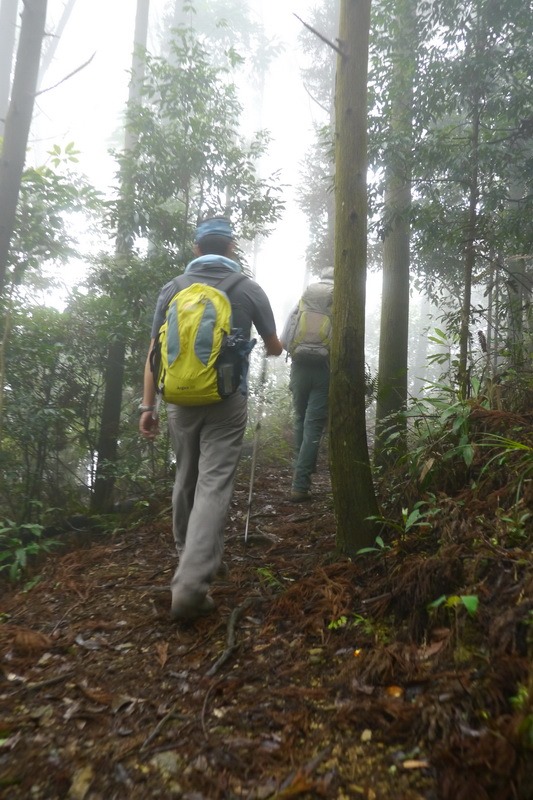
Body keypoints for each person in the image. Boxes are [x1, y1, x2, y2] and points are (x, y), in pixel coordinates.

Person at [140, 217, 282, 621]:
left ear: (197, 249)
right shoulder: (248, 288)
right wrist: (275, 342)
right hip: (226, 400)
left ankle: (191, 555)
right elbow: (273, 348)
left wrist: (146, 407)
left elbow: (154, 354)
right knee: (214, 482)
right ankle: (190, 583)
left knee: (186, 475)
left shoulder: (173, 289)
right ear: (232, 248)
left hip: (178, 400)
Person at [280, 267, 334, 502]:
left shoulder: (305, 299)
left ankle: (301, 467)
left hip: (299, 367)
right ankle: (300, 484)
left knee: (300, 419)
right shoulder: (339, 299)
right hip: (325, 369)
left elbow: (284, 339)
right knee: (314, 425)